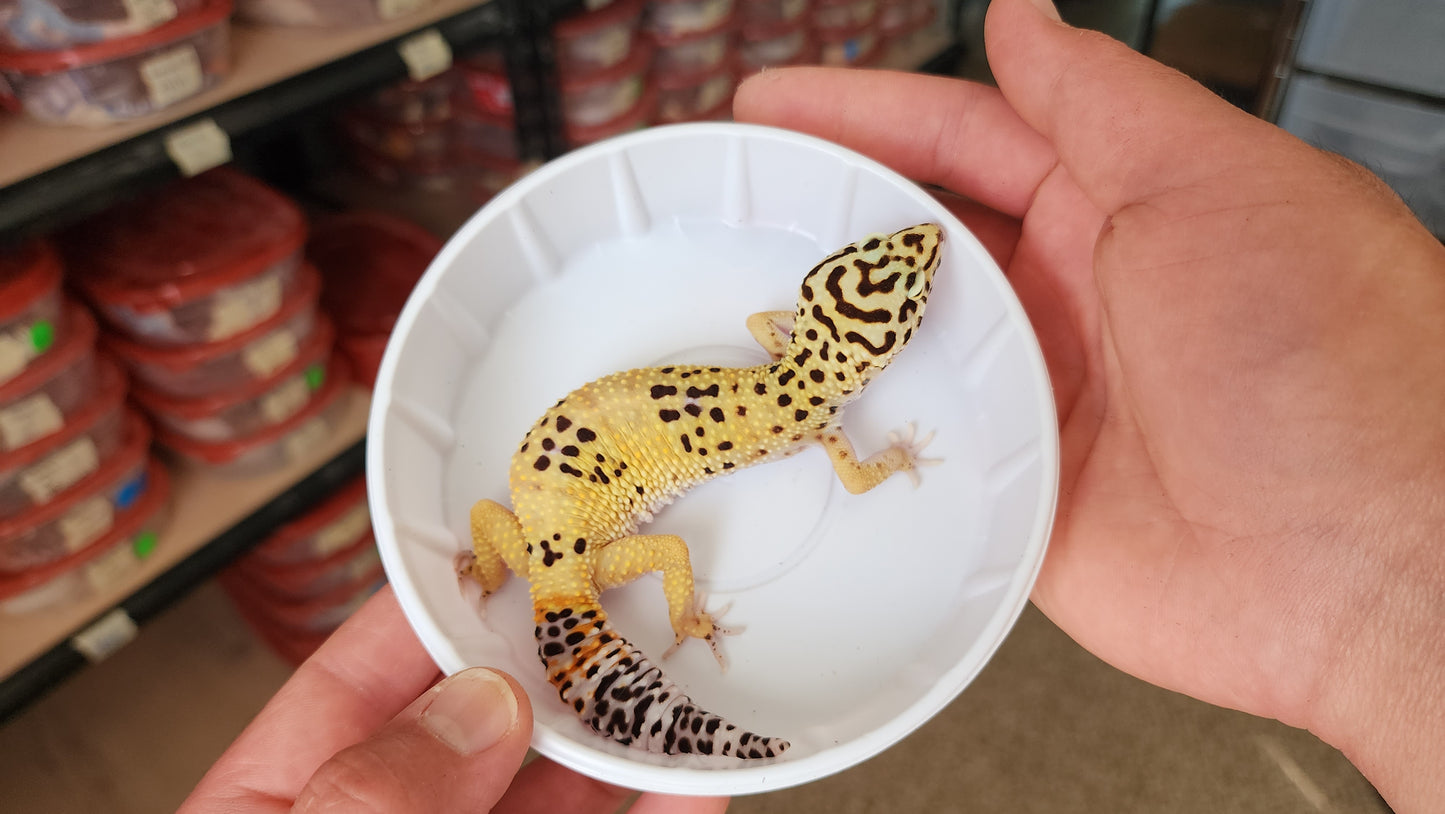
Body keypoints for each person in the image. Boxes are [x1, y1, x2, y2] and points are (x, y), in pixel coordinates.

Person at [180, 0, 1445, 810]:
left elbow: (783, 340)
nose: (904, 275)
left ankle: (502, 562)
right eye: (885, 283)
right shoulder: (807, 416)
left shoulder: (790, 379)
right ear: (860, 337)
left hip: (549, 491)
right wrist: (887, 461)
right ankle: (571, 592)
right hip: (566, 513)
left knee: (618, 550)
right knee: (662, 552)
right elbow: (840, 457)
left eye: (886, 288)